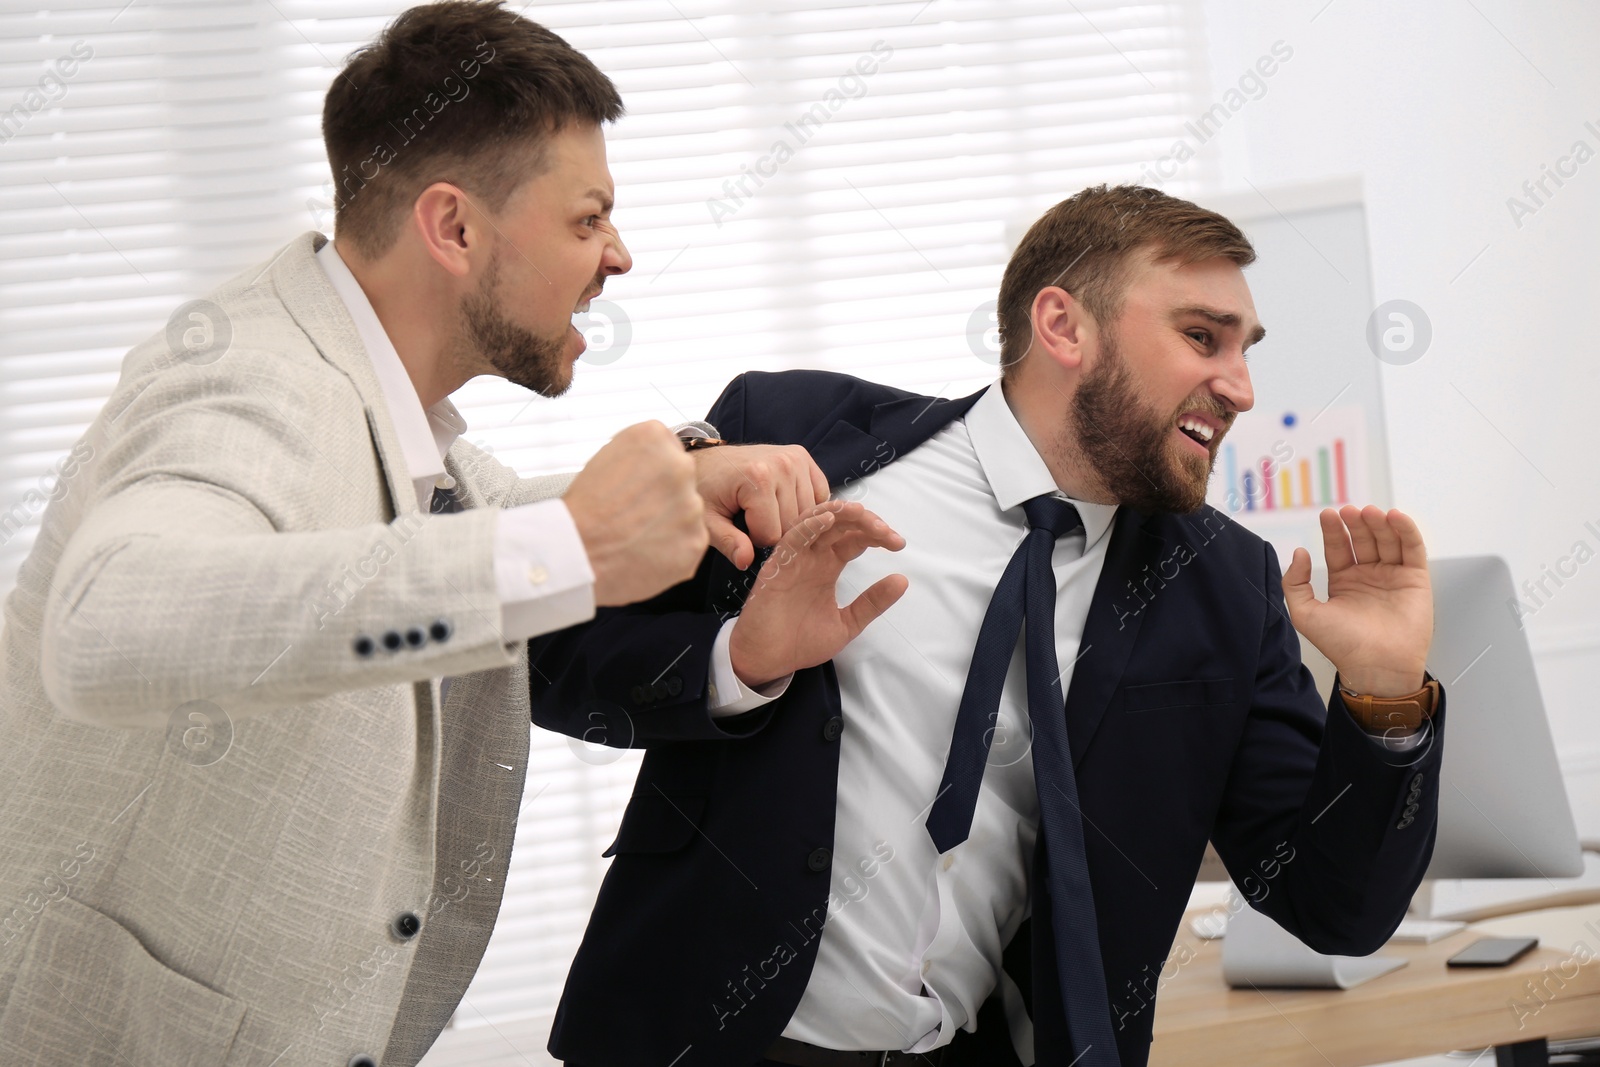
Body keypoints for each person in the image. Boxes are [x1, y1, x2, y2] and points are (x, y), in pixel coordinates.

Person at [0, 4, 826, 1064]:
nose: (618, 254)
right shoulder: (255, 384)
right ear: (454, 227)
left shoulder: (370, 388)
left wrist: (682, 478)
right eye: (586, 219)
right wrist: (566, 548)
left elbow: (429, 522)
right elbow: (104, 622)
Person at [527, 184, 1447, 1067]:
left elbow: (1336, 907)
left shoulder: (1226, 585)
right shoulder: (796, 435)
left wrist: (1385, 695)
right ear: (1063, 327)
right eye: (1202, 337)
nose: (1240, 387)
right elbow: (555, 664)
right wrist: (739, 663)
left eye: (1246, 349)